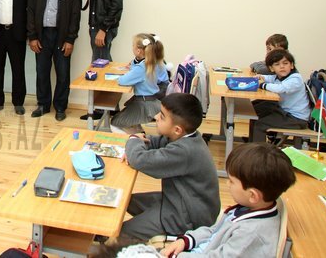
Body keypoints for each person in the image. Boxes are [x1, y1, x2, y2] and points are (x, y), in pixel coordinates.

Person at [160, 143, 296, 257]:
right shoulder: (248, 208)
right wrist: (187, 241)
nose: (227, 184)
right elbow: (214, 231)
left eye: (231, 181)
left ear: (253, 195)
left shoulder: (250, 233)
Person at [121, 93, 220, 240]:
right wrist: (138, 144)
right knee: (123, 201)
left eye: (162, 116)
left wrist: (134, 139)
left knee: (119, 233)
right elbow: (153, 142)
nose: (156, 117)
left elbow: (140, 160)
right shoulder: (184, 136)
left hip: (186, 216)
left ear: (177, 129)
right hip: (177, 199)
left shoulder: (184, 151)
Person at [26, 0, 81, 121]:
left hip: (62, 36)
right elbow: (30, 12)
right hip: (42, 36)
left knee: (63, 73)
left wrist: (70, 39)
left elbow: (75, 15)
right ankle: (43, 105)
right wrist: (32, 37)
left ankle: (60, 107)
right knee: (42, 72)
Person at [111, 33, 167, 133]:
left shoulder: (141, 67)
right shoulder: (151, 62)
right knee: (127, 117)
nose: (132, 47)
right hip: (151, 100)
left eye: (133, 45)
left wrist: (122, 76)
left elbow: (122, 80)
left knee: (115, 123)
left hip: (144, 104)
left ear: (138, 51)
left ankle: (132, 138)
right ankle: (139, 134)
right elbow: (134, 68)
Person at [251, 49, 310, 143]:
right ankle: (252, 143)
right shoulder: (279, 77)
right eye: (277, 64)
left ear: (291, 65)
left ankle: (258, 150)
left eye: (285, 63)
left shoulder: (295, 79)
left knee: (260, 124)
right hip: (285, 112)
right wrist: (261, 77)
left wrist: (262, 85)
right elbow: (270, 78)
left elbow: (281, 88)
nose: (282, 66)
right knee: (254, 112)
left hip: (296, 118)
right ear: (271, 68)